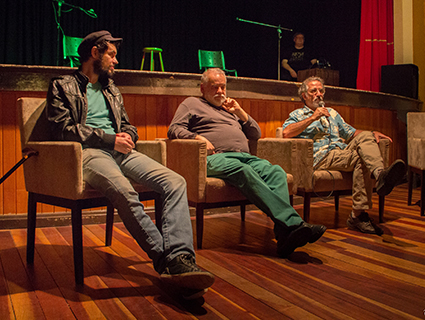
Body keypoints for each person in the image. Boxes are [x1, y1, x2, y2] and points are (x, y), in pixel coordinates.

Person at [46, 30, 214, 299]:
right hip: (89, 153)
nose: (115, 61)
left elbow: (126, 123)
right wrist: (110, 139)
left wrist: (128, 135)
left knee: (174, 182)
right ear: (94, 53)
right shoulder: (62, 85)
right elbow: (61, 129)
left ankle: (180, 256)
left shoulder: (111, 88)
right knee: (125, 190)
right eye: (111, 55)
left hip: (121, 151)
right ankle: (169, 262)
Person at [167, 68, 327, 258]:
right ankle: (294, 223)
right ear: (202, 88)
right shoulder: (191, 104)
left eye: (223, 87)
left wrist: (240, 112)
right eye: (214, 87)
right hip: (214, 158)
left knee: (276, 172)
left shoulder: (230, 110)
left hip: (245, 156)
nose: (220, 91)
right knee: (242, 170)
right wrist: (197, 137)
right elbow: (174, 129)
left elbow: (255, 134)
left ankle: (285, 238)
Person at [281, 76, 407, 235]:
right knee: (361, 159)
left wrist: (371, 133)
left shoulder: (333, 113)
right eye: (313, 91)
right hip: (321, 156)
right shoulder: (298, 114)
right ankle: (358, 215)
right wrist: (313, 117)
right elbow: (286, 133)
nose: (318, 94)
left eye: (321, 90)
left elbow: (351, 133)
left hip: (341, 152)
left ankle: (379, 174)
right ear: (304, 96)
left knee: (366, 135)